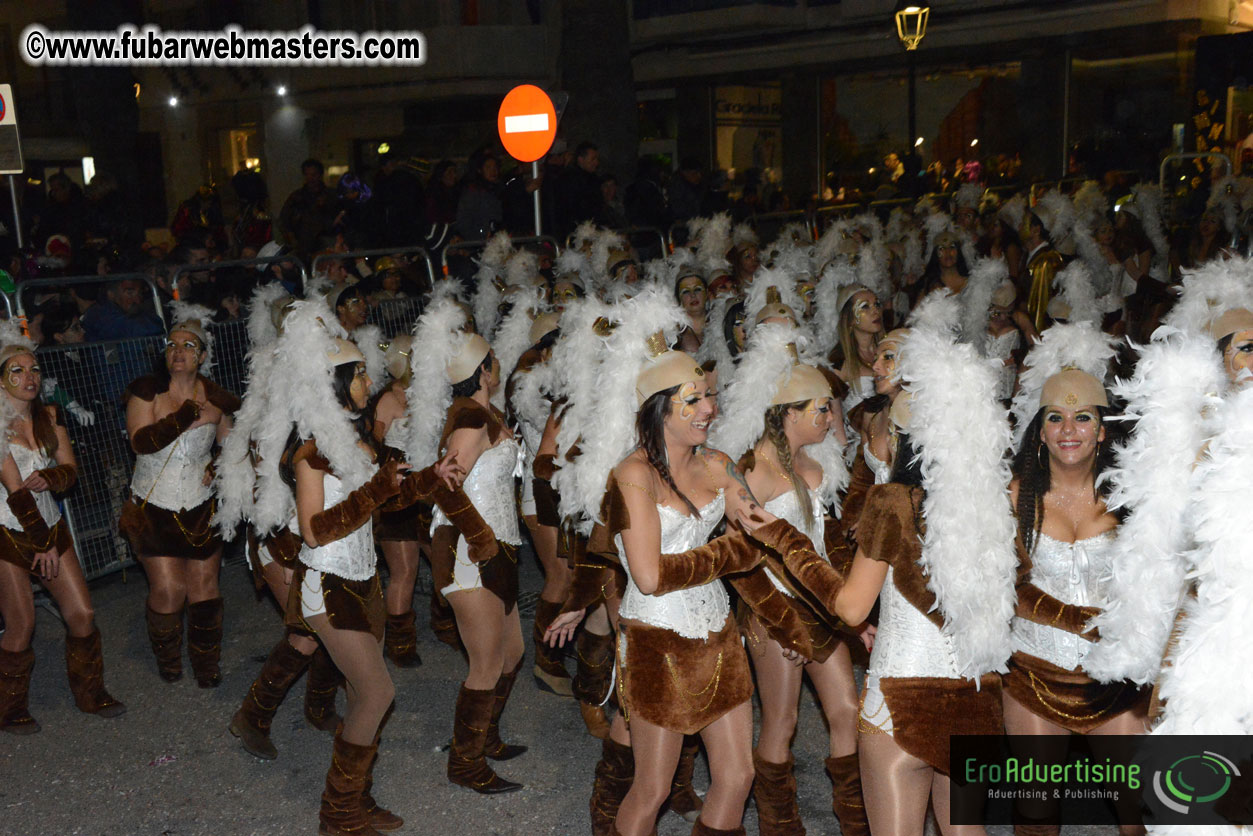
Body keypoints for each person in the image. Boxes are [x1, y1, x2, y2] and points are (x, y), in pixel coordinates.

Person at [708, 326, 869, 836]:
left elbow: (823, 546)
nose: (830, 418)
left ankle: (856, 820)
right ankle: (780, 824)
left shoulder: (813, 458)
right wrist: (783, 625)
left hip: (821, 605)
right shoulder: (755, 468)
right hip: (773, 612)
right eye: (820, 409)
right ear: (787, 414)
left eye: (829, 407)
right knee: (783, 722)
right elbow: (737, 556)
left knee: (847, 711)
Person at [1003, 360, 1148, 836]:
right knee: (1036, 816)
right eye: (1055, 419)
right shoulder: (1014, 497)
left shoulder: (1131, 497)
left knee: (1141, 813)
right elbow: (998, 585)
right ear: (1039, 433)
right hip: (1035, 674)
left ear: (1102, 432)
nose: (1069, 430)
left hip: (1116, 675)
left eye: (1083, 418)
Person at [405, 298, 528, 794]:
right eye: (494, 359)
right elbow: (444, 486)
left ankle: (487, 736)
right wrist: (480, 541)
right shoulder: (471, 423)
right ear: (484, 371)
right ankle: (466, 762)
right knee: (487, 662)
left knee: (513, 651)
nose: (499, 365)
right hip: (470, 552)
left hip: (498, 547)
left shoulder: (482, 412)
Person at [0, 325, 125, 733]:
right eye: (16, 371)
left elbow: (71, 473)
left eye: (33, 369)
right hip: (8, 531)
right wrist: (42, 543)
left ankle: (91, 694)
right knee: (22, 624)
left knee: (82, 613)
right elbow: (16, 494)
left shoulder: (50, 416)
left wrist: (52, 480)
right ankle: (10, 707)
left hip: (48, 525)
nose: (29, 378)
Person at [120, 305, 239, 687]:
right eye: (172, 344)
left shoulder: (215, 397)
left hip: (201, 506)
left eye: (189, 345)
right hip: (155, 506)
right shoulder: (146, 390)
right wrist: (188, 414)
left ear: (202, 356)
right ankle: (168, 658)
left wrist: (216, 465)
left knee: (205, 589)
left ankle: (206, 664)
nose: (178, 351)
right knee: (170, 590)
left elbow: (232, 445)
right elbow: (141, 443)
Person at [279, 158, 338, 263]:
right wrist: (293, 242)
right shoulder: (296, 198)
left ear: (320, 175)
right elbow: (284, 221)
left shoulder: (331, 196)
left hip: (327, 247)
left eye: (314, 175)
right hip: (303, 249)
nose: (311, 179)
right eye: (307, 175)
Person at [82, 278, 163, 342]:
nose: (137, 300)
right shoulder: (99, 315)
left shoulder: (133, 312)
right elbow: (143, 329)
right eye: (129, 293)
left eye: (140, 293)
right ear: (111, 294)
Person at [455, 148, 504, 241]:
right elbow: (464, 222)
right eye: (488, 167)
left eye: (495, 167)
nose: (493, 171)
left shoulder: (499, 189)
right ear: (480, 170)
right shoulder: (472, 192)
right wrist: (481, 235)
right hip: (480, 241)